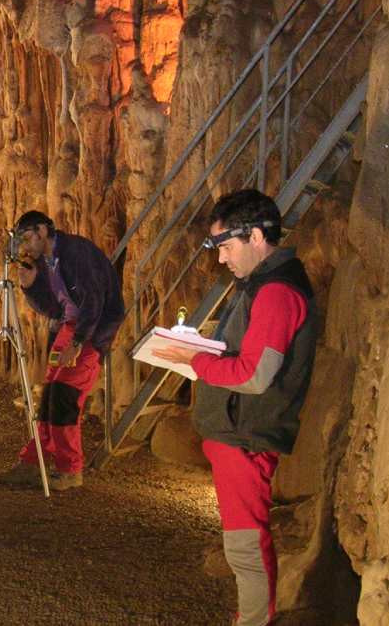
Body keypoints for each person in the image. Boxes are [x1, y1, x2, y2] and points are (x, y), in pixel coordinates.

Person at [153, 189, 317, 626]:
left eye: (225, 246)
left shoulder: (277, 292)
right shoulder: (261, 285)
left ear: (257, 237)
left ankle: (255, 620)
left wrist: (196, 360)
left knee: (245, 542)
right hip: (236, 430)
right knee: (242, 539)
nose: (221, 259)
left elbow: (254, 374)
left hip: (246, 434)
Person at [0, 210, 124, 491]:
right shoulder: (46, 263)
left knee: (65, 397)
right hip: (70, 327)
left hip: (92, 330)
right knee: (50, 394)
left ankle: (70, 469)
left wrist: (78, 343)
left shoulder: (76, 252)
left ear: (43, 230)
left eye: (28, 237)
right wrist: (30, 288)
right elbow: (53, 308)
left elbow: (94, 299)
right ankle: (35, 462)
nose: (26, 246)